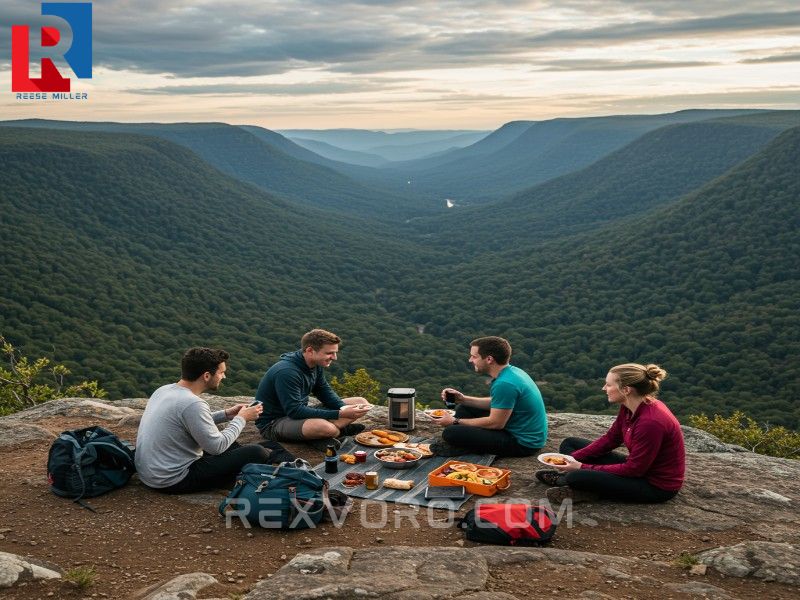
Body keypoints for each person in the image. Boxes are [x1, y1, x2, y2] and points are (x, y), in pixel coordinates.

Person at [135, 347, 294, 494]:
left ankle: (272, 457)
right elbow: (216, 447)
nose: (224, 376)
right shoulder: (193, 403)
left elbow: (187, 422)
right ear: (206, 376)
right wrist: (241, 418)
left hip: (150, 473)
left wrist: (226, 414)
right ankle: (278, 468)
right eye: (221, 372)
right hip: (174, 480)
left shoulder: (164, 390)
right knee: (257, 452)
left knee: (234, 443)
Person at [537, 363, 685, 504]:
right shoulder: (630, 406)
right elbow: (611, 439)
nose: (604, 388)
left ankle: (581, 486)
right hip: (640, 468)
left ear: (626, 390)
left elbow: (634, 470)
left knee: (577, 476)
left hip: (654, 485)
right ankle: (579, 481)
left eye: (608, 385)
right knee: (570, 444)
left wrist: (581, 467)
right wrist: (570, 459)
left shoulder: (651, 422)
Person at [255, 328, 371, 450]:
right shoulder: (287, 372)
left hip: (300, 415)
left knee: (361, 403)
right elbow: (294, 411)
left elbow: (323, 390)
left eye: (335, 352)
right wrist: (339, 414)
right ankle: (334, 432)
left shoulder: (315, 364)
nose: (334, 357)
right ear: (310, 350)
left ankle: (322, 435)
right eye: (329, 353)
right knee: (326, 428)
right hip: (275, 423)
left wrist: (343, 407)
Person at [431, 336, 547, 457]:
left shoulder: (505, 384)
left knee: (450, 433)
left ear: (489, 359)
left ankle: (468, 447)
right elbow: (499, 403)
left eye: (474, 356)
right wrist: (463, 399)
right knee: (464, 408)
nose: (470, 360)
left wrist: (455, 422)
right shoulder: (513, 372)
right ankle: (470, 441)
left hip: (522, 443)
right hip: (519, 429)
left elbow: (496, 423)